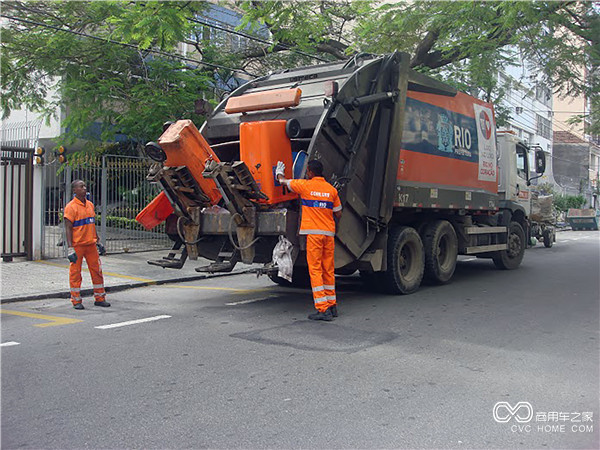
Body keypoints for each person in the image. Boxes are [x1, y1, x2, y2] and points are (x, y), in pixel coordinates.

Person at [276, 159, 342, 321]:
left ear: (311, 173)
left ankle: (322, 309)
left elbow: (282, 182)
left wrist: (279, 172)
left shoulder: (305, 186)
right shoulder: (331, 190)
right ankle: (332, 305)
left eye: (307, 171)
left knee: (315, 270)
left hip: (314, 235)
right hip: (328, 235)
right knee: (328, 269)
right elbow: (338, 213)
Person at [63, 180, 110, 310]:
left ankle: (100, 298)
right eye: (81, 186)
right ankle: (76, 300)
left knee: (97, 271)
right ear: (74, 190)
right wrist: (70, 247)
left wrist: (98, 241)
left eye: (84, 186)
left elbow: (92, 224)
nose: (84, 188)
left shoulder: (90, 205)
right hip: (78, 245)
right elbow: (68, 228)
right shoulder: (70, 207)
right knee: (75, 273)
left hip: (91, 244)